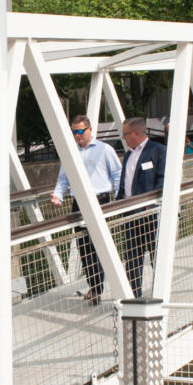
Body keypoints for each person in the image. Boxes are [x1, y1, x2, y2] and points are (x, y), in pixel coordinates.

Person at [51, 114, 122, 305]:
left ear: (90, 130)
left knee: (100, 244)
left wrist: (119, 198)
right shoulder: (70, 152)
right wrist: (58, 195)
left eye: (81, 131)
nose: (77, 135)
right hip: (79, 203)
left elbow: (117, 173)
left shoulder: (104, 149)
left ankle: (106, 286)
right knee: (84, 247)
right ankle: (95, 287)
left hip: (100, 201)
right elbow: (63, 179)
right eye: (74, 132)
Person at [115, 117, 167, 297]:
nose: (123, 138)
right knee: (132, 256)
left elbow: (162, 179)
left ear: (135, 133)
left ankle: (160, 292)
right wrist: (119, 202)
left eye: (125, 134)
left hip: (149, 212)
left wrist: (152, 203)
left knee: (155, 254)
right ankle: (134, 294)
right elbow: (125, 181)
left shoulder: (158, 150)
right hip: (130, 213)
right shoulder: (128, 154)